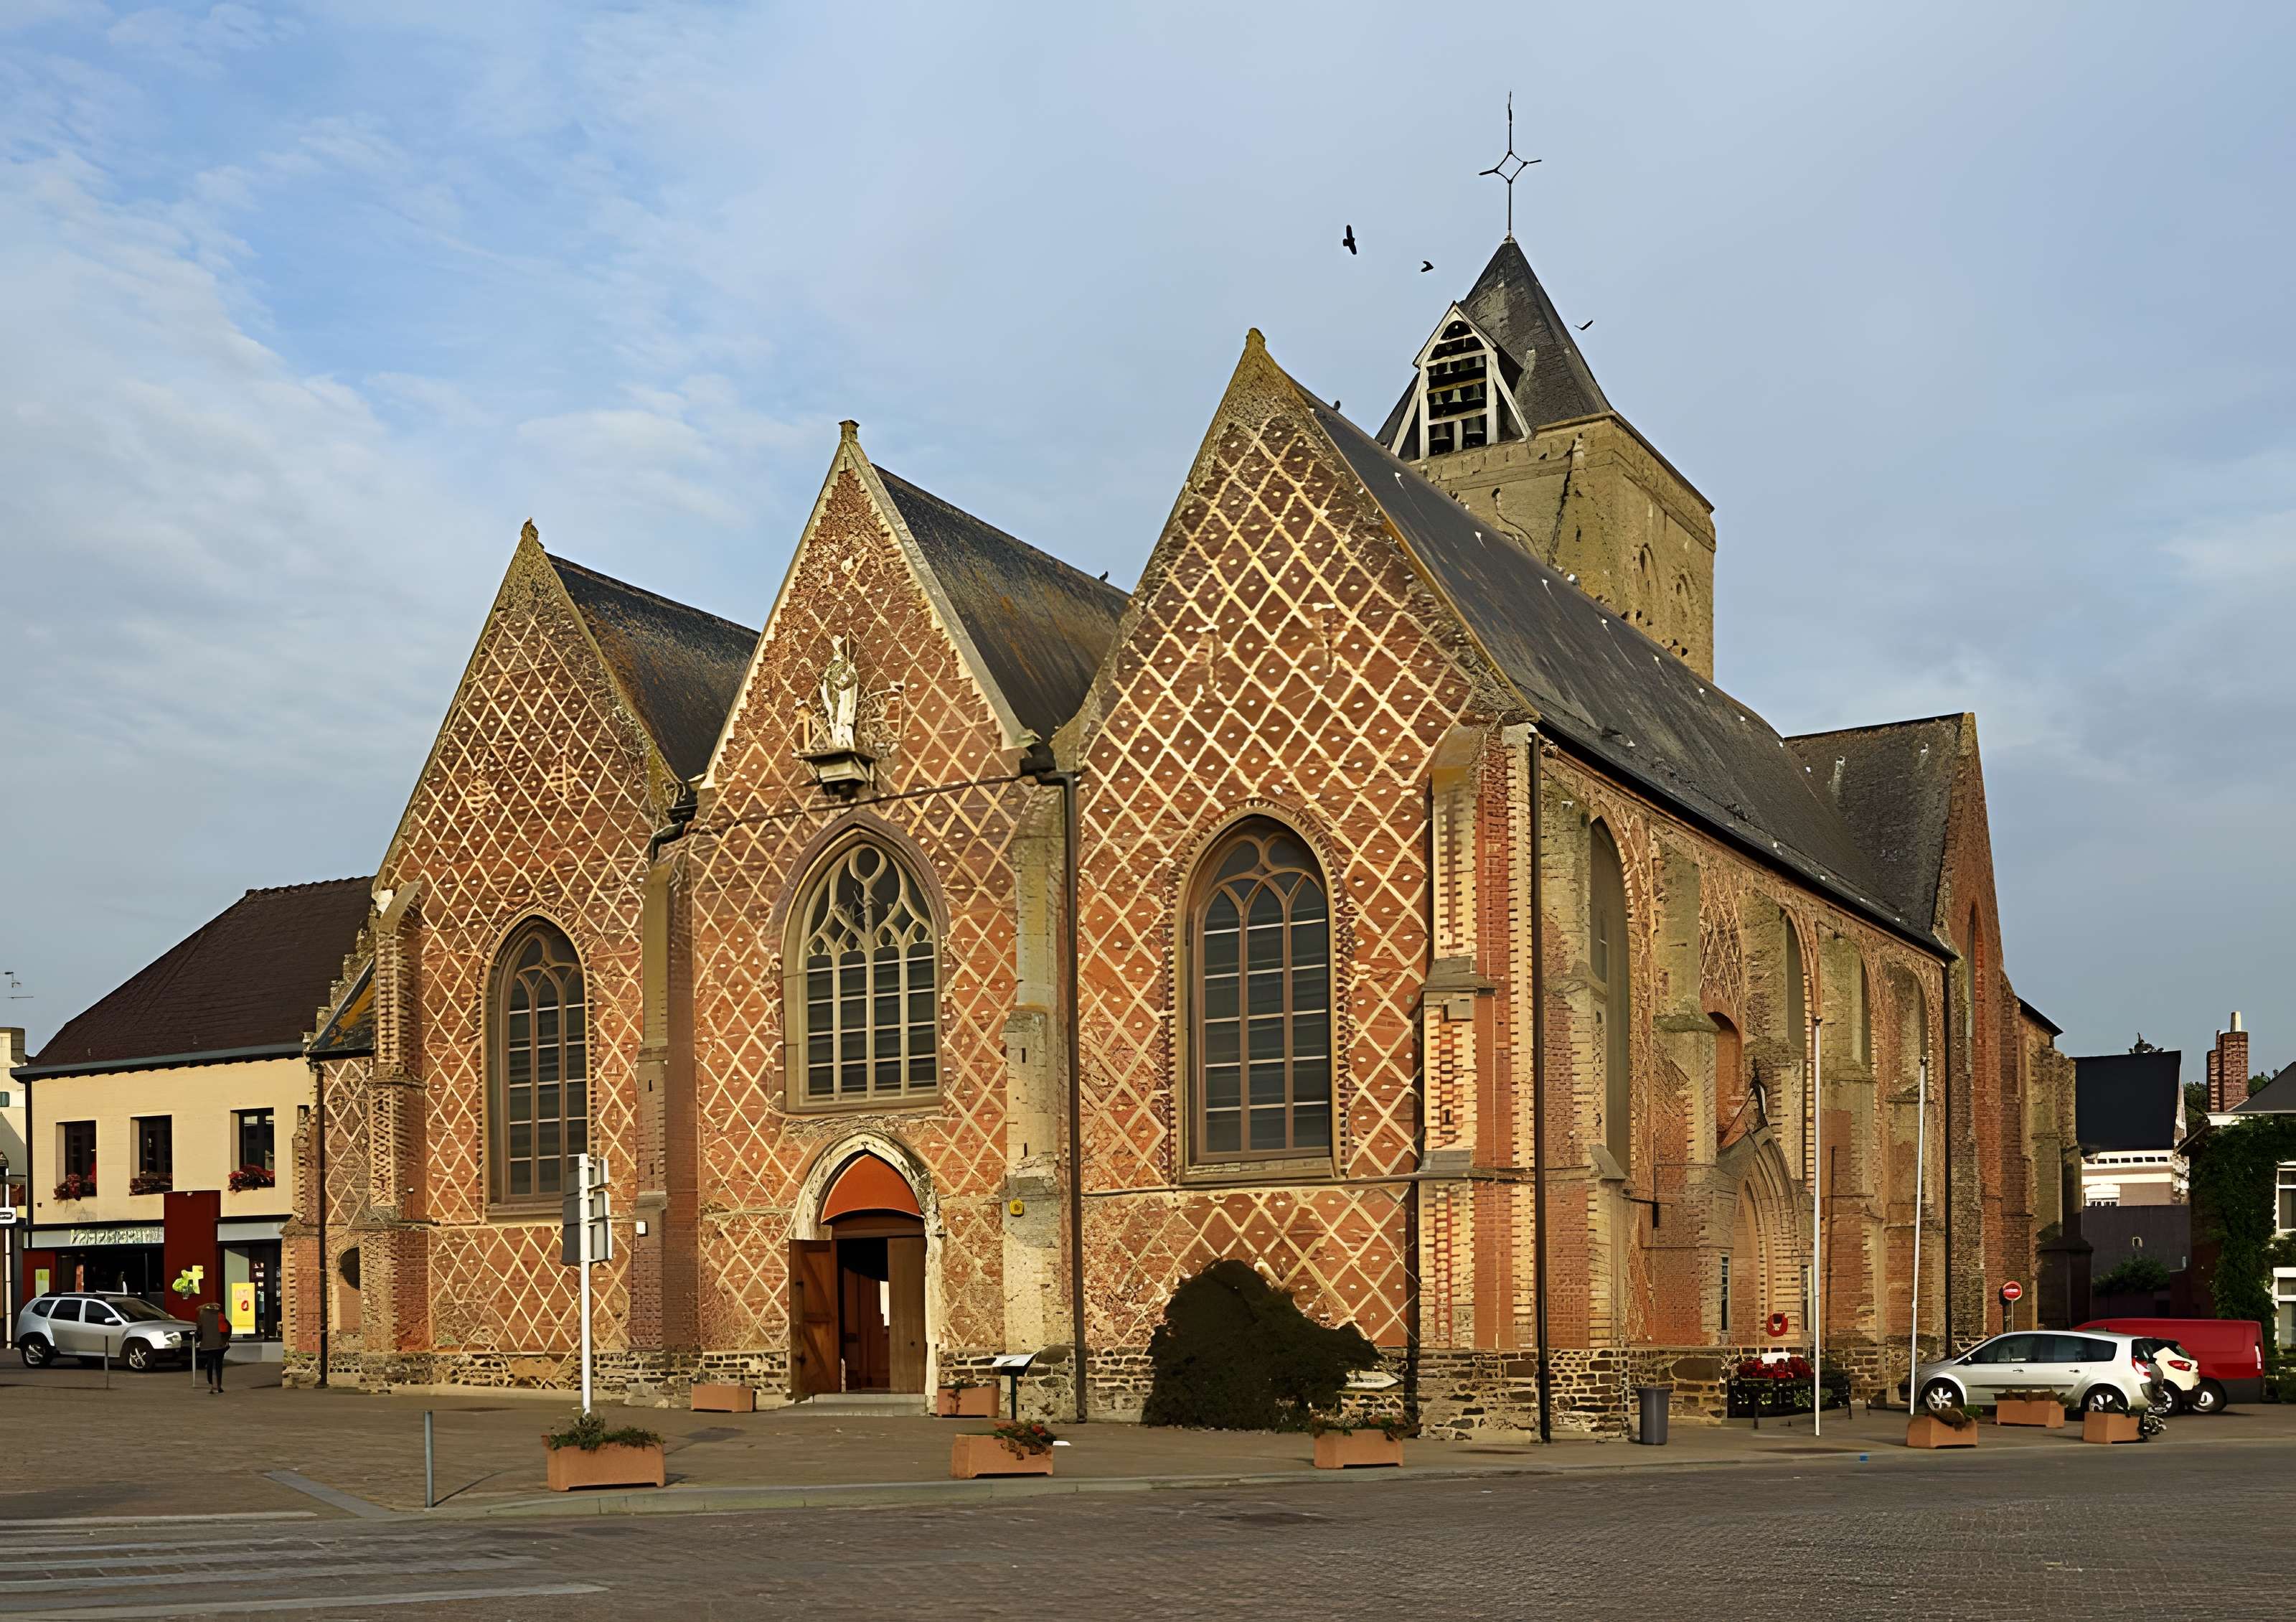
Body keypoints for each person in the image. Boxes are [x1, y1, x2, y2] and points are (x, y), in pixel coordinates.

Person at [195, 1300, 232, 1394]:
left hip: (209, 1344)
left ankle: (211, 1386)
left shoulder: (203, 1318)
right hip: (220, 1344)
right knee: (219, 1365)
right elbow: (228, 1328)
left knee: (210, 1363)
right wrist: (225, 1340)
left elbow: (199, 1332)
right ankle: (219, 1386)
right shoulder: (221, 1316)